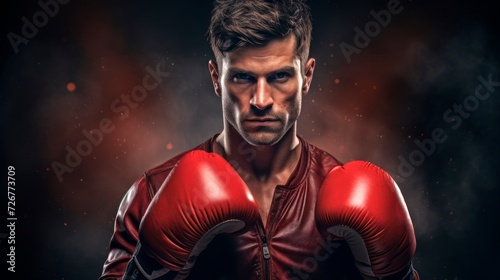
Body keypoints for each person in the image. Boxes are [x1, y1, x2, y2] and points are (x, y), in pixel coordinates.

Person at [99, 0, 420, 279]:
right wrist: (150, 265)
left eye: (279, 76)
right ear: (216, 78)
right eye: (242, 77)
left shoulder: (344, 191)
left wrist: (396, 275)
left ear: (306, 77)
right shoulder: (154, 190)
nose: (261, 99)